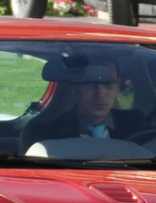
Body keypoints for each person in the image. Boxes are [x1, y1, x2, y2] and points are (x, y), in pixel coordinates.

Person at [19, 61, 147, 151]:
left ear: (118, 88)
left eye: (109, 83)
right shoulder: (45, 132)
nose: (100, 94)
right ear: (74, 88)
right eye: (90, 84)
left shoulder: (136, 125)